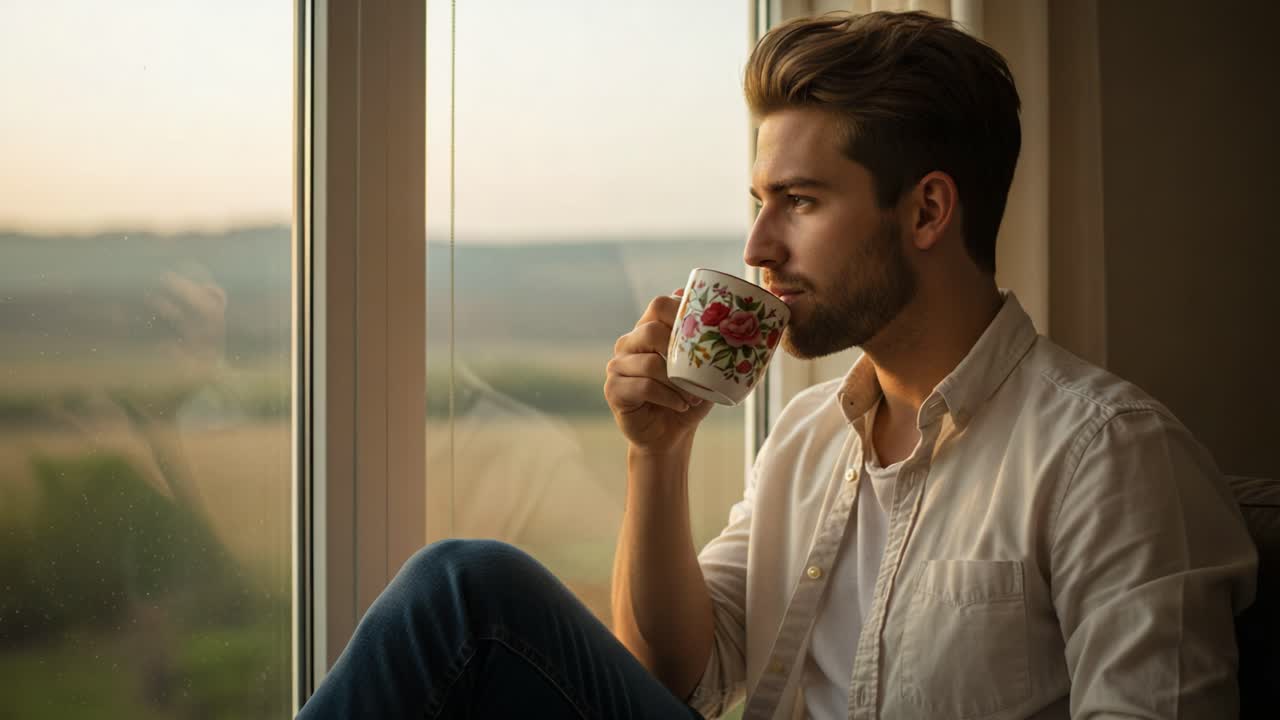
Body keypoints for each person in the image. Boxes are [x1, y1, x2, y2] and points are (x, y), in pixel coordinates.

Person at [296, 11, 1257, 719]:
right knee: (464, 597)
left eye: (798, 200)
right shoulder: (806, 438)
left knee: (471, 586)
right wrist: (655, 453)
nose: (757, 244)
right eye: (758, 198)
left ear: (927, 212)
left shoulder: (1108, 458)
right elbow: (672, 675)